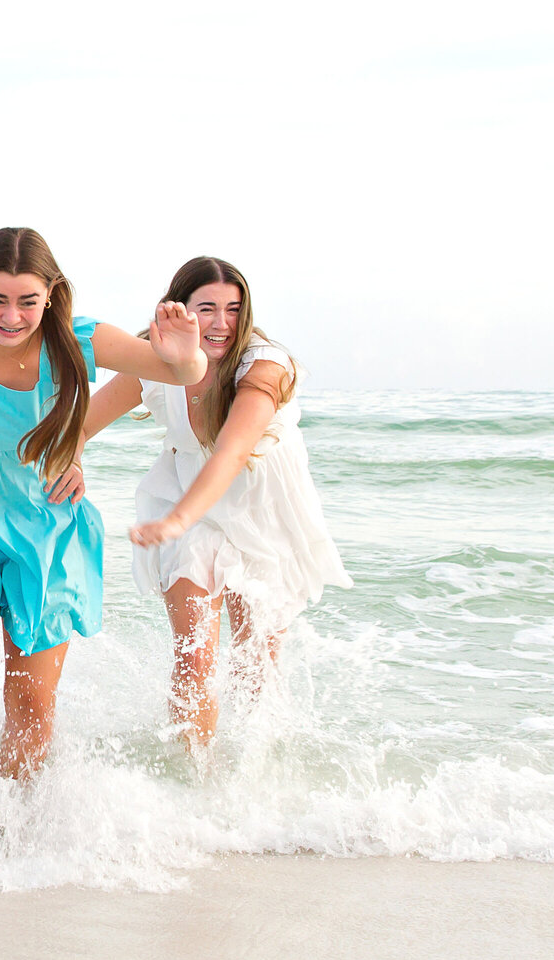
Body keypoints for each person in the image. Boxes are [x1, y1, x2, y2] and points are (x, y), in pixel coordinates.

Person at [0, 227, 206, 779]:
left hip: (44, 516)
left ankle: (9, 836)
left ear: (50, 294)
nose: (11, 316)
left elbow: (177, 371)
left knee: (32, 707)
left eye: (27, 300)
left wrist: (187, 360)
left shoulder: (76, 339)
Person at [79, 256, 351, 752]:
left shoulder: (265, 366)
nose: (222, 323)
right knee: (194, 655)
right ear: (178, 311)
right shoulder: (156, 361)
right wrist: (70, 459)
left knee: (255, 662)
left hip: (262, 509)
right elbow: (79, 427)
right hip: (188, 503)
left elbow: (229, 452)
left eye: (233, 309)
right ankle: (195, 779)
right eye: (207, 309)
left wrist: (176, 519)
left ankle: (251, 791)